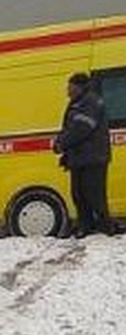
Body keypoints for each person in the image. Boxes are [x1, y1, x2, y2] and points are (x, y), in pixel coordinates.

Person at [53, 73, 113, 237]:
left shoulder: (90, 102)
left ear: (79, 86)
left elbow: (81, 128)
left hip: (93, 157)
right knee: (78, 194)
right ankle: (85, 225)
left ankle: (104, 227)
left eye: (70, 86)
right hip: (80, 158)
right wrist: (64, 148)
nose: (67, 90)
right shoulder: (78, 102)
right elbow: (68, 127)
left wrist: (62, 144)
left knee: (94, 194)